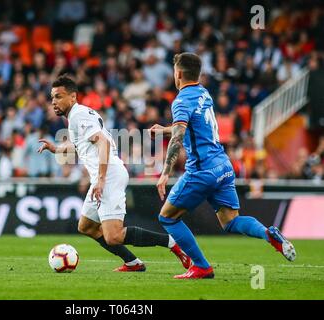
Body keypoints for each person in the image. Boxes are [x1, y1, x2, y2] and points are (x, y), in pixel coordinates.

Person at [149, 53, 296, 279]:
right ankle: (269, 234)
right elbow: (193, 127)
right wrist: (165, 130)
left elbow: (179, 137)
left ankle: (202, 266)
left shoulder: (180, 100)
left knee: (167, 217)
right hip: (223, 166)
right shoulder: (204, 93)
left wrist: (164, 173)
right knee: (231, 221)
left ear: (177, 74)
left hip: (202, 170)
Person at [38, 74, 191, 272]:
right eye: (52, 98)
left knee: (114, 235)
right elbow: (80, 144)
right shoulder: (78, 116)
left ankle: (174, 244)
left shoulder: (78, 115)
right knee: (86, 226)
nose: (54, 102)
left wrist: (101, 180)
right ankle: (132, 263)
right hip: (104, 175)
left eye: (59, 96)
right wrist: (56, 148)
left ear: (73, 97)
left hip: (108, 175)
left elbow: (102, 142)